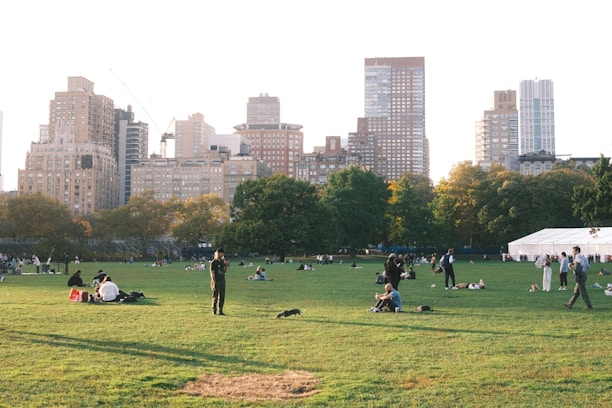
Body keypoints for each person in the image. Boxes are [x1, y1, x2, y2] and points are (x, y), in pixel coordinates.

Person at [210, 247, 228, 315]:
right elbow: (212, 272)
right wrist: (213, 281)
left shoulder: (222, 262)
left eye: (223, 253)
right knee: (215, 296)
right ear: (218, 253)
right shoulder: (214, 262)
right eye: (221, 253)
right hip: (216, 280)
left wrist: (225, 265)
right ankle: (214, 311)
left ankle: (221, 311)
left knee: (222, 296)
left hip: (222, 280)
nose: (222, 255)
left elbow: (224, 271)